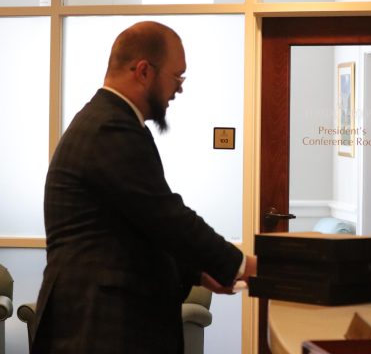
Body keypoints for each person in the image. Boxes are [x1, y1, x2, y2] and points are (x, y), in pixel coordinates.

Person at [31, 21, 256, 353]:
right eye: (177, 77)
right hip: (98, 327)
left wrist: (196, 270)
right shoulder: (110, 127)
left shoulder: (105, 120)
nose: (178, 89)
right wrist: (241, 264)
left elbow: (131, 231)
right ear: (144, 71)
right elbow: (166, 216)